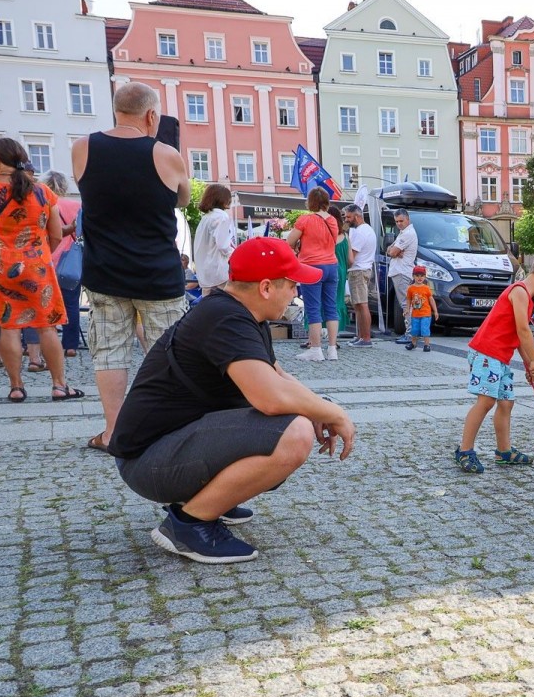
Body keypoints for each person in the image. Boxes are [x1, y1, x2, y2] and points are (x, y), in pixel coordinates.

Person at [108, 237, 356, 564]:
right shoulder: (225, 318)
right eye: (292, 285)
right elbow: (270, 397)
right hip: (147, 462)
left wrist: (319, 408)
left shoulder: (240, 313)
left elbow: (280, 378)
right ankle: (189, 524)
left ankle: (214, 499)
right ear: (266, 287)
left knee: (302, 414)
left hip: (165, 446)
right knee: (294, 434)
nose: (296, 292)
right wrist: (333, 413)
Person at [73, 82, 190, 452]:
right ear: (152, 115)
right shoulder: (165, 153)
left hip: (104, 271)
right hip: (158, 274)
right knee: (168, 352)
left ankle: (113, 433)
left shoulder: (83, 147)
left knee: (109, 352)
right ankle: (168, 428)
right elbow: (183, 199)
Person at [0, 138, 83, 403]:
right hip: (37, 266)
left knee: (9, 326)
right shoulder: (42, 192)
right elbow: (57, 235)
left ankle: (16, 387)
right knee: (47, 327)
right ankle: (60, 385)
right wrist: (39, 254)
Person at [455, 253, 534, 474]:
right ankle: (465, 450)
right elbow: (523, 331)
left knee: (506, 403)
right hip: (487, 353)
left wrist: (527, 363)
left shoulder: (526, 298)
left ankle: (503, 451)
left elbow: (516, 338)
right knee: (486, 402)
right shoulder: (519, 292)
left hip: (500, 357)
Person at [287, 188, 340, 361]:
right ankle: (332, 349)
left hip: (312, 267)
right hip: (332, 265)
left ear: (310, 202)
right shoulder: (332, 220)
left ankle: (315, 349)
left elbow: (289, 242)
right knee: (331, 307)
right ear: (326, 201)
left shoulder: (305, 220)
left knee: (313, 308)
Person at [43, 171, 82, 358]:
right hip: (70, 263)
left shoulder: (42, 204)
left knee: (43, 305)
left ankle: (35, 344)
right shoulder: (76, 206)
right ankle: (71, 345)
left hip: (45, 260)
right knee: (71, 305)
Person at [342, 203, 376, 347]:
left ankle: (366, 338)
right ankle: (360, 336)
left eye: (348, 217)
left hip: (358, 270)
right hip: (362, 269)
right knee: (358, 305)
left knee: (362, 304)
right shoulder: (366, 229)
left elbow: (351, 257)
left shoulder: (361, 232)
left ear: (357, 216)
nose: (346, 220)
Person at [193, 183, 234, 297]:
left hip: (205, 273)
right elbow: (223, 246)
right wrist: (236, 253)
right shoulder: (221, 217)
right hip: (219, 272)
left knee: (209, 306)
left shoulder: (206, 218)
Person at [387, 208, 419, 344]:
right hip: (402, 271)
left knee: (406, 304)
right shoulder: (404, 233)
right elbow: (390, 249)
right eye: (396, 221)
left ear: (408, 220)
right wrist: (393, 251)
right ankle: (411, 332)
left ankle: (410, 333)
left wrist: (393, 251)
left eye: (401, 221)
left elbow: (392, 251)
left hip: (402, 272)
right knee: (407, 304)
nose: (399, 223)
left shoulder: (407, 234)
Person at [404, 266, 437, 352]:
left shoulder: (426, 288)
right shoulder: (410, 288)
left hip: (425, 313)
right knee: (414, 329)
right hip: (415, 314)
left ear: (425, 277)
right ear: (413, 276)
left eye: (422, 276)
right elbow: (408, 299)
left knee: (425, 329)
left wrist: (435, 311)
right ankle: (413, 343)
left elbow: (431, 299)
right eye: (417, 275)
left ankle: (427, 345)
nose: (419, 278)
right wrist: (407, 309)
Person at [329, 205, 350, 328]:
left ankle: (314, 339)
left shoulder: (325, 235)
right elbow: (350, 259)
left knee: (320, 301)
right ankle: (334, 338)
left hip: (326, 269)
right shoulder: (345, 236)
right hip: (341, 271)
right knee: (337, 301)